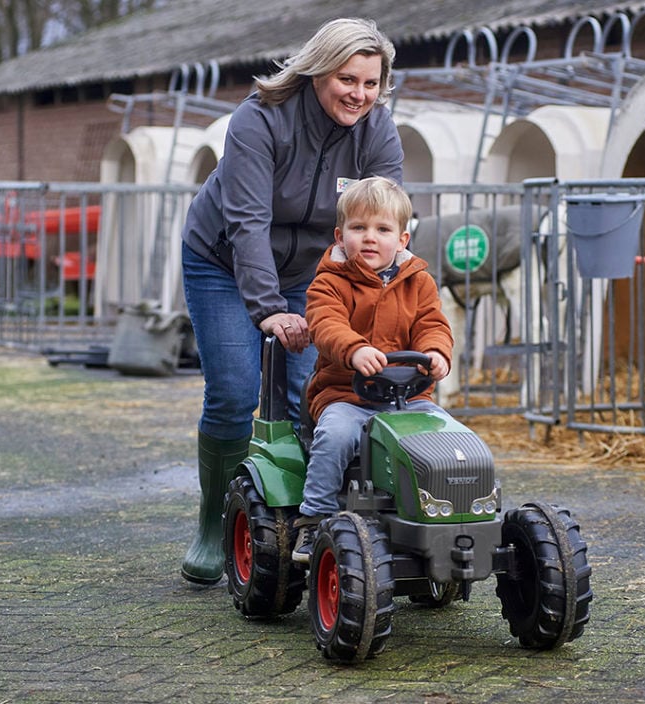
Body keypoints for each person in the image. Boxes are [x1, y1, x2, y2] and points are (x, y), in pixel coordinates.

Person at [178, 18, 404, 585]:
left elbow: (388, 227)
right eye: (347, 79)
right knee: (234, 390)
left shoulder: (376, 133)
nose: (359, 94)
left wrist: (393, 305)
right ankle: (216, 521)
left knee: (314, 394)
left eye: (371, 83)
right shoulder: (260, 119)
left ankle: (299, 529)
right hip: (224, 261)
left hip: (310, 271)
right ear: (318, 70)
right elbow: (248, 223)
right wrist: (267, 309)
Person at [291, 176, 453, 563]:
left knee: (446, 436)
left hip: (408, 399)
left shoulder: (420, 284)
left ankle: (445, 514)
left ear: (402, 240)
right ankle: (314, 520)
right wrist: (354, 349)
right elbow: (325, 325)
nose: (369, 238)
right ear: (340, 234)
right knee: (335, 436)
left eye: (382, 229)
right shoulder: (328, 282)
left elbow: (433, 324)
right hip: (346, 397)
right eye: (358, 228)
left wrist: (436, 353)